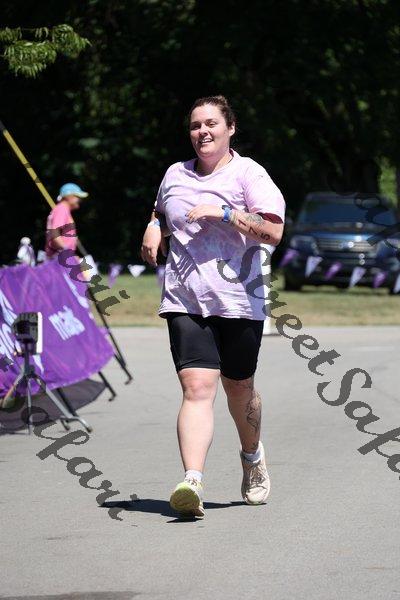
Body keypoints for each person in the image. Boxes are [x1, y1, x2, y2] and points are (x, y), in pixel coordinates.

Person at [141, 95, 285, 518]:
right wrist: (153, 226)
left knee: (239, 388)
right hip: (185, 298)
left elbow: (273, 232)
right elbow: (160, 208)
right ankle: (192, 482)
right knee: (197, 388)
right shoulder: (175, 173)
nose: (202, 132)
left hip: (239, 300)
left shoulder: (249, 174)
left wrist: (225, 213)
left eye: (211, 124)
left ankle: (252, 456)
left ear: (230, 128)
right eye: (195, 125)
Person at [45, 183, 88, 258]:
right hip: (59, 258)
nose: (80, 200)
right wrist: (67, 253)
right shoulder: (62, 208)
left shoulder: (63, 209)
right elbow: (54, 232)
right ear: (69, 196)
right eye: (78, 197)